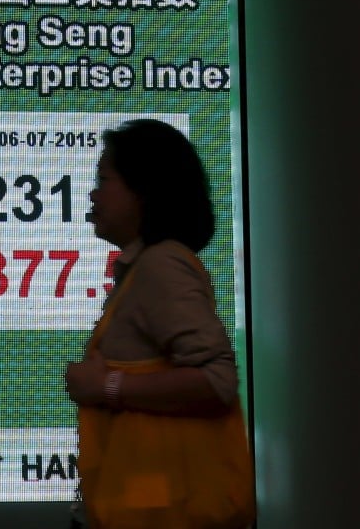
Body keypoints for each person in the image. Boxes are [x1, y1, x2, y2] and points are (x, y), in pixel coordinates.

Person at [65, 118, 250, 528]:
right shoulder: (144, 266)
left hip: (164, 513)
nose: (93, 193)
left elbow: (217, 380)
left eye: (104, 179)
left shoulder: (161, 265)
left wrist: (106, 386)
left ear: (144, 191)